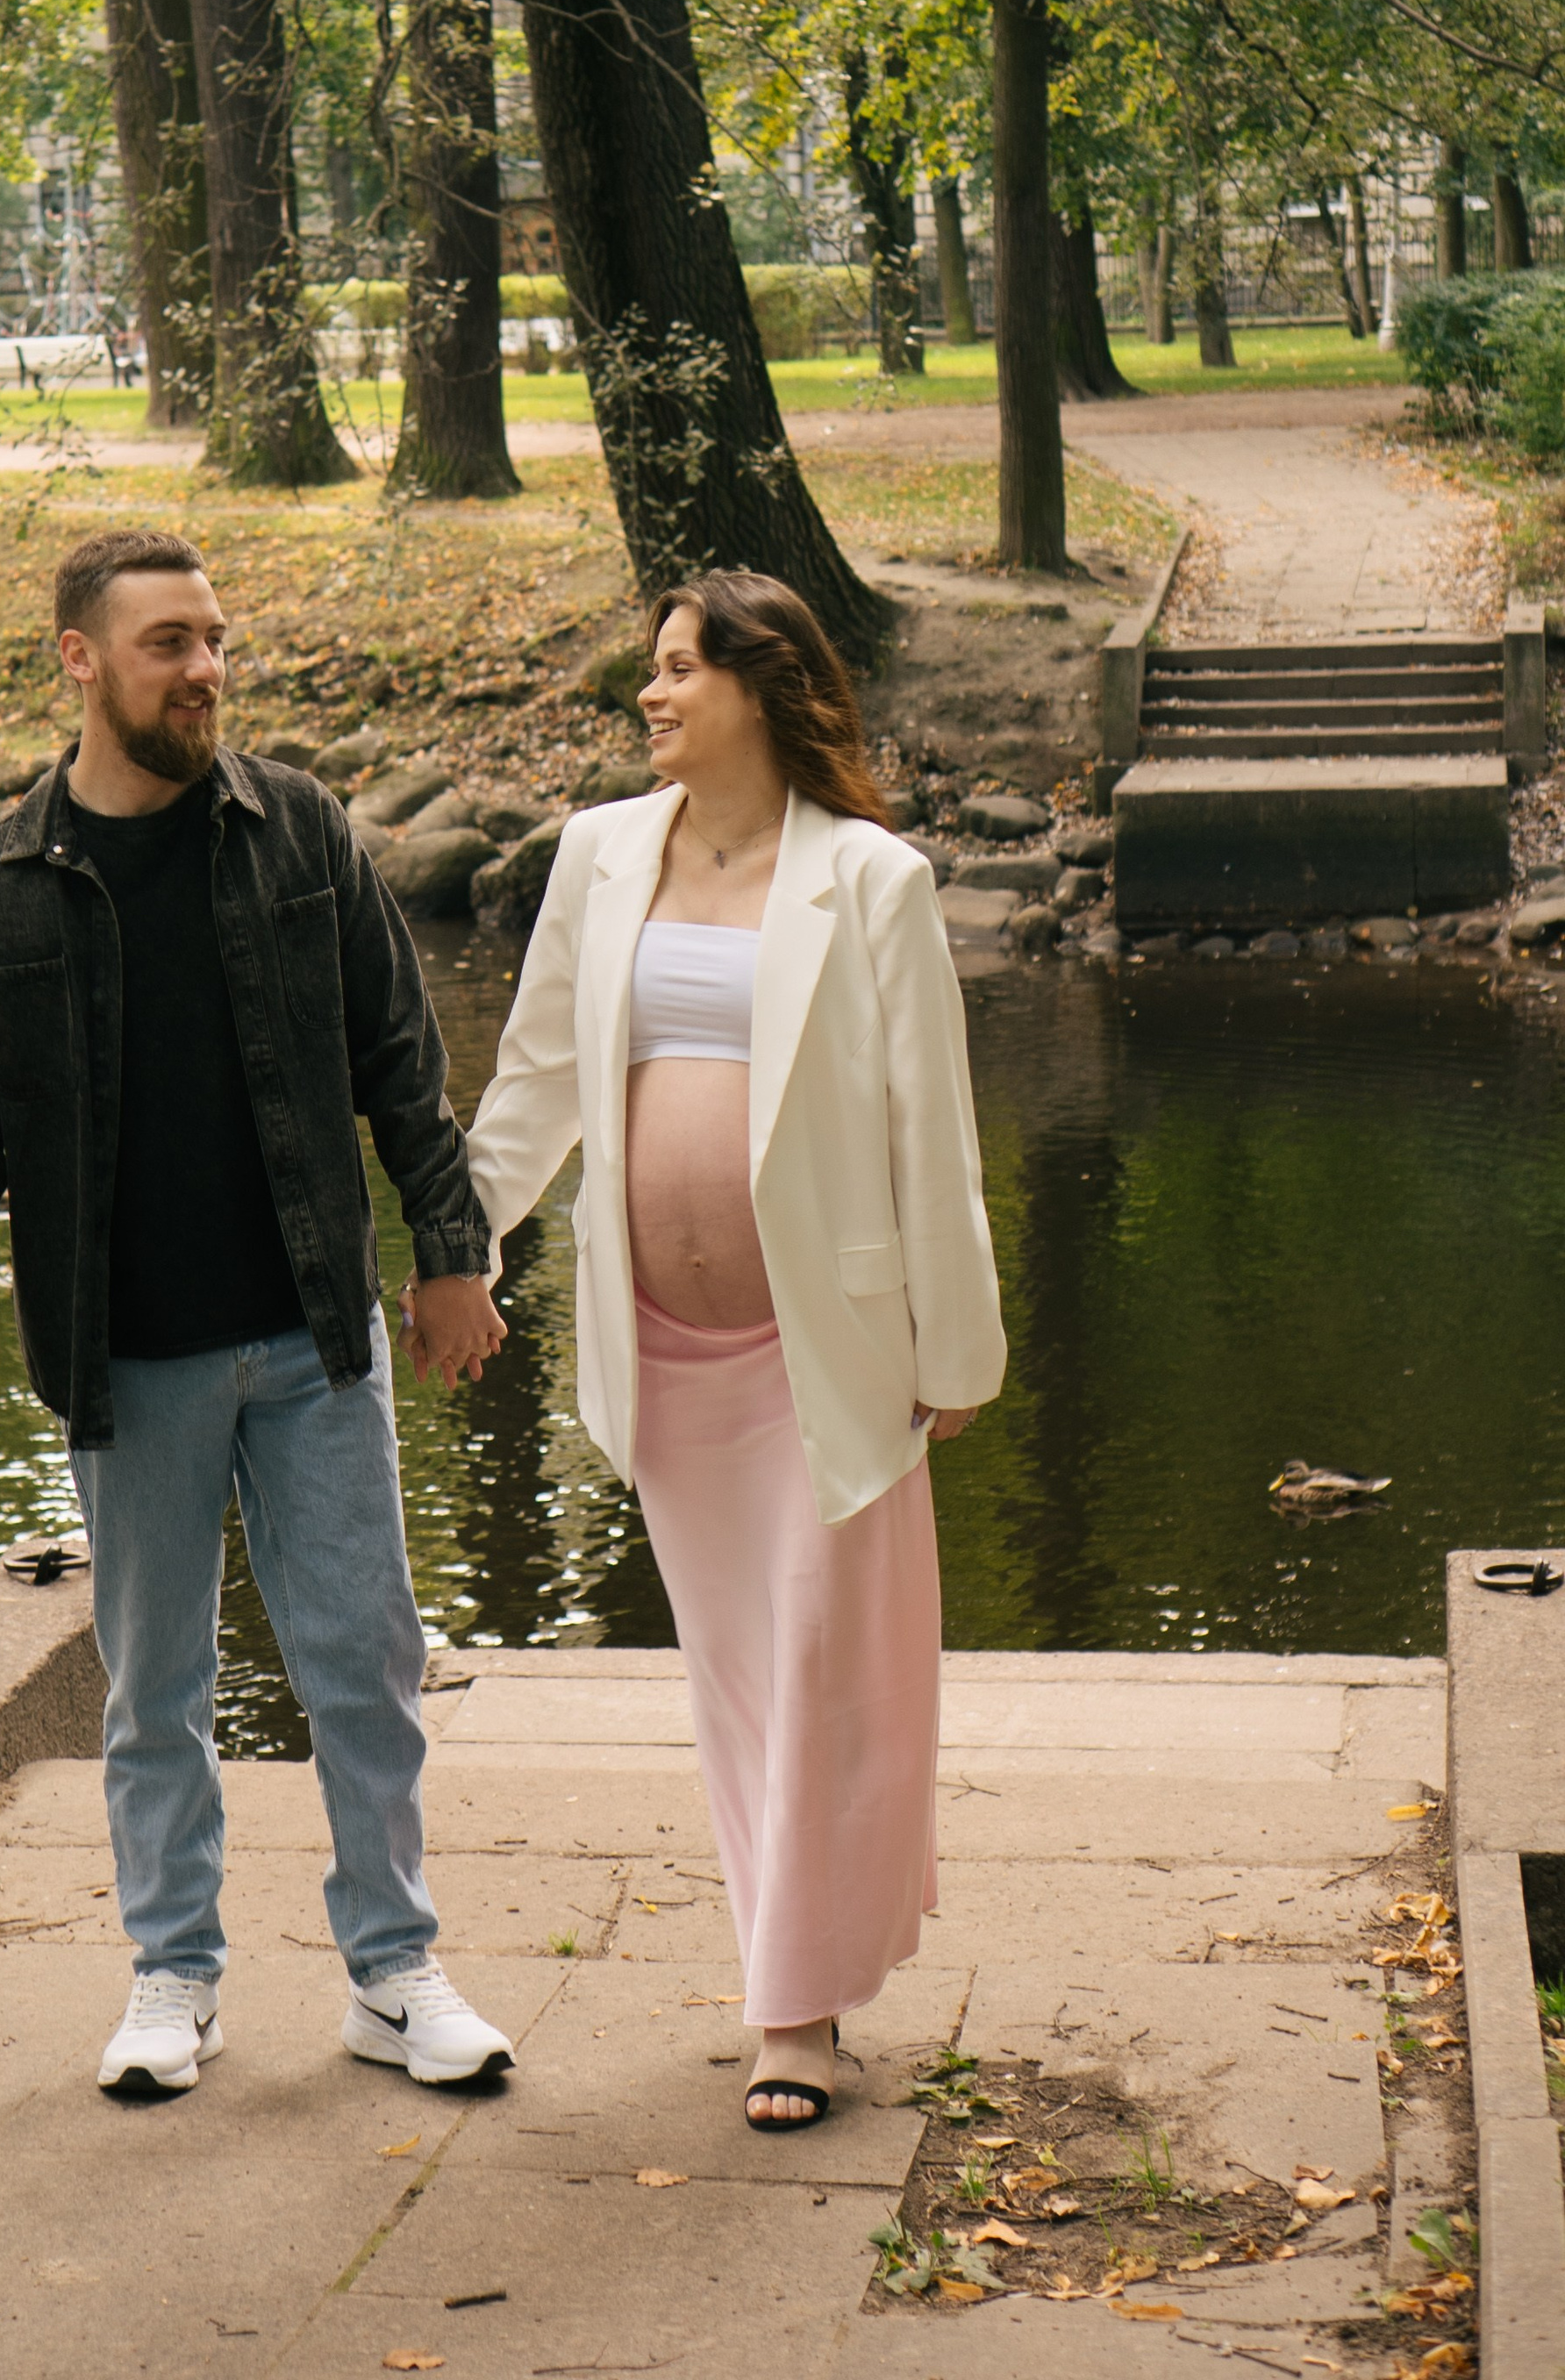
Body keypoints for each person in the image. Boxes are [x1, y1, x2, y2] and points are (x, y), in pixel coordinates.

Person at [0, 526, 515, 2101]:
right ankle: (174, 1973)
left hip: (312, 1337)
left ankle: (393, 1970)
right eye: (168, 642)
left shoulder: (293, 830)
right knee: (154, 1686)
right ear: (81, 662)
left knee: (363, 1663)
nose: (207, 668)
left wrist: (453, 1252)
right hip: (131, 1363)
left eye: (216, 637)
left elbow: (399, 1061)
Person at [467, 570, 1005, 2130]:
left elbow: (933, 1134)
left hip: (821, 1343)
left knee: (829, 1669)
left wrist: (952, 1353)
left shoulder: (871, 881)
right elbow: (543, 1079)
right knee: (737, 1682)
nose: (653, 694)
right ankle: (794, 1967)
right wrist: (461, 1244)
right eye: (655, 668)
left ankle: (797, 2016)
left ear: (763, 688)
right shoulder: (597, 855)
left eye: (682, 668)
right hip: (664, 1347)